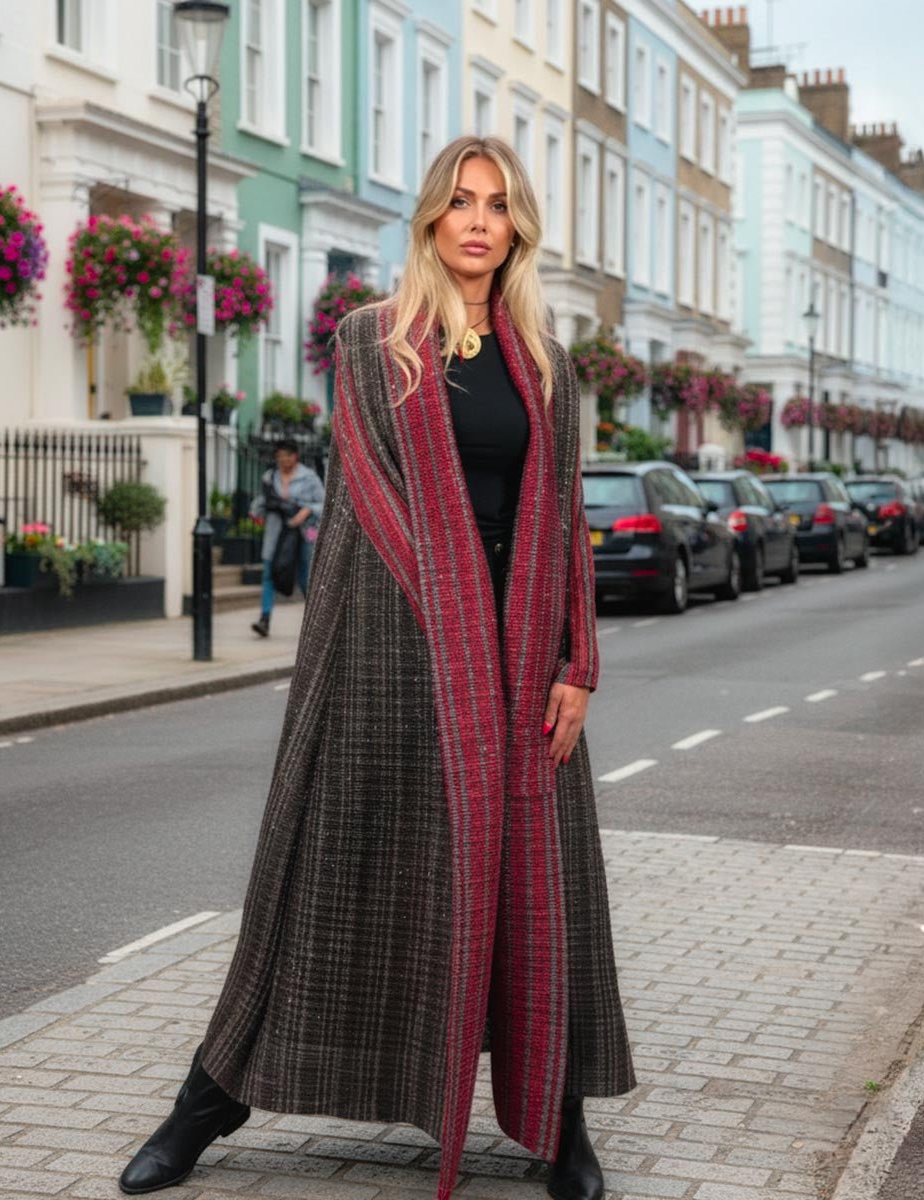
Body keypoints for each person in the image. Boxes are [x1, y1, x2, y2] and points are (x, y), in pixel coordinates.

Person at [119, 135, 636, 1200]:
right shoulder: (372, 342)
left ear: (517, 227)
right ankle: (206, 1102)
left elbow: (562, 518)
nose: (479, 221)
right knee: (325, 885)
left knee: (544, 891)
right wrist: (464, 644)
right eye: (460, 202)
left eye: (497, 205)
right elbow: (382, 507)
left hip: (522, 652)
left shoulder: (546, 363)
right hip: (390, 656)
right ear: (433, 222)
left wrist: (575, 660)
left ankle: (563, 1125)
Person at [248, 439, 324, 638]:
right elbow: (264, 500)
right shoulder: (270, 476)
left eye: (287, 455)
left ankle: (316, 623)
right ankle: (264, 619)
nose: (283, 459)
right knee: (268, 574)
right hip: (277, 533)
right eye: (279, 456)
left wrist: (306, 511)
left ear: (295, 456)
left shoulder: (309, 477)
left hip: (303, 534)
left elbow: (324, 504)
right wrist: (256, 510)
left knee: (306, 577)